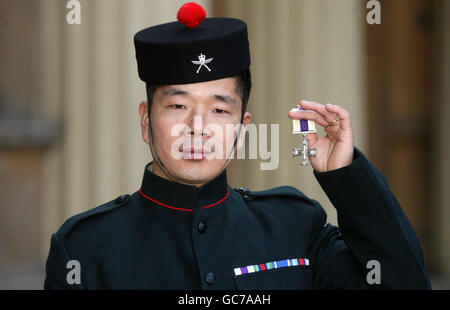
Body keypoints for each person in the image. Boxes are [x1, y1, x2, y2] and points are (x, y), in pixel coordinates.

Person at [44, 2, 431, 290]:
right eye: (178, 106)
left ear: (243, 129)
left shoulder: (295, 227)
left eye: (218, 109)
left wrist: (347, 178)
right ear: (146, 120)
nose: (198, 128)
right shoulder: (85, 248)